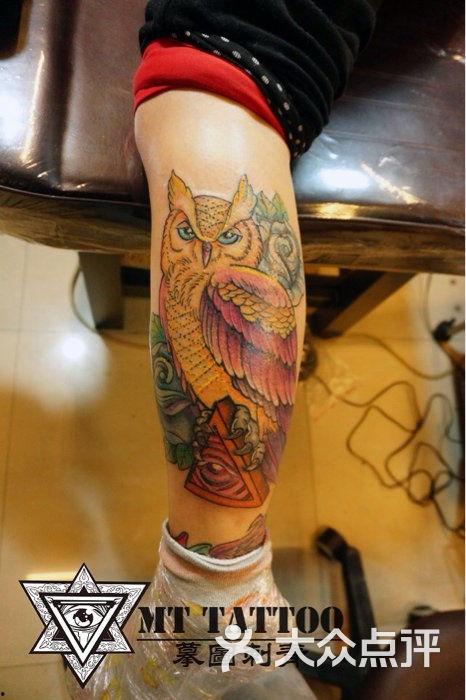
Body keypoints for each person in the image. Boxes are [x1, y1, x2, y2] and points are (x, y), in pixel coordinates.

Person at [67, 1, 381, 697]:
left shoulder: (230, 288)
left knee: (234, 40)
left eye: (224, 239)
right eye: (196, 237)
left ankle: (213, 595)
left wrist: (214, 579)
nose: (209, 252)